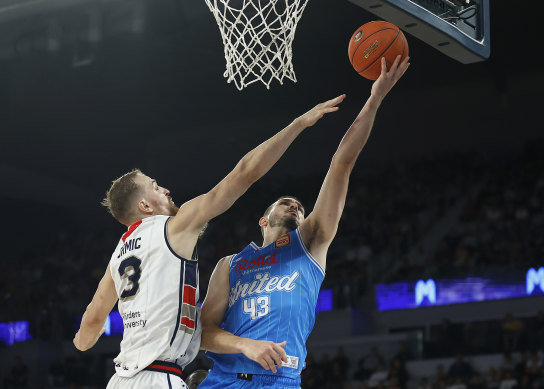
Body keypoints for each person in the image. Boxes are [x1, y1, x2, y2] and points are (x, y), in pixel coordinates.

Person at [72, 94, 345, 389]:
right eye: (154, 187)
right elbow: (245, 173)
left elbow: (88, 328)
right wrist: (298, 124)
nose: (165, 190)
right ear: (144, 207)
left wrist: (89, 336)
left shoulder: (117, 258)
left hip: (120, 379)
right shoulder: (175, 226)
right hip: (160, 376)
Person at [199, 56, 410, 388]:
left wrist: (375, 98)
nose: (295, 206)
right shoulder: (230, 264)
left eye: (299, 206)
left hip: (278, 381)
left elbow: (342, 162)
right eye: (285, 203)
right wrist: (245, 345)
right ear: (263, 220)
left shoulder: (309, 243)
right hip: (222, 380)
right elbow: (204, 332)